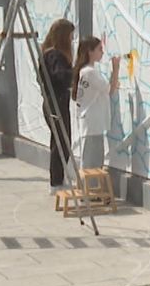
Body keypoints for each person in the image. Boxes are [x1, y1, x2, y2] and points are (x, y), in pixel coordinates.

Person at [71, 36, 119, 170]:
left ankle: (88, 187)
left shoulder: (86, 71)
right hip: (92, 122)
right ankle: (88, 188)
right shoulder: (90, 72)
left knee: (91, 159)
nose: (102, 52)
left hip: (90, 122)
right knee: (92, 162)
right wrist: (116, 69)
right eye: (99, 49)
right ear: (89, 52)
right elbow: (110, 89)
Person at [40, 19, 76, 192]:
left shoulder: (48, 53)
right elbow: (61, 76)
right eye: (70, 36)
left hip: (53, 103)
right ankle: (56, 182)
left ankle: (57, 180)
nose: (71, 40)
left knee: (59, 141)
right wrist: (76, 73)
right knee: (62, 142)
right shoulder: (55, 55)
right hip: (56, 103)